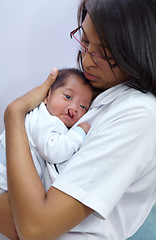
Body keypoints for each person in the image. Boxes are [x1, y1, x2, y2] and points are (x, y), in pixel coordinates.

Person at [0, 0, 156, 239]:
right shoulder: (90, 89)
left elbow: (34, 229)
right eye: (84, 41)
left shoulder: (139, 114)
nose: (87, 59)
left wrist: (14, 114)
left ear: (137, 51)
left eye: (103, 53)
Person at [0, 68, 93, 193]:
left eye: (83, 106)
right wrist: (78, 134)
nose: (74, 108)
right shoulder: (45, 118)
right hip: (4, 174)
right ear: (47, 96)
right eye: (68, 97)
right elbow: (53, 151)